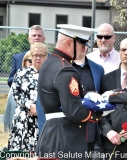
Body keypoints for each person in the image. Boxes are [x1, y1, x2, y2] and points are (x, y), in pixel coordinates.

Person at [35, 24, 102, 159]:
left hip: (52, 135)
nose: (85, 49)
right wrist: (97, 112)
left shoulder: (50, 63)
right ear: (69, 43)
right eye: (82, 45)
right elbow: (74, 111)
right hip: (66, 140)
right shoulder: (66, 69)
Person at [8, 42, 48, 152]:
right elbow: (16, 93)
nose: (38, 58)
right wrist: (29, 105)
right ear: (31, 56)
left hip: (43, 118)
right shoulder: (21, 73)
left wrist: (40, 109)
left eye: (41, 55)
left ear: (46, 56)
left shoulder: (51, 74)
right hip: (23, 118)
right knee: (21, 152)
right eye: (35, 55)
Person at [72, 45, 104, 159]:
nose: (81, 48)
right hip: (69, 127)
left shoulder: (98, 69)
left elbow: (102, 98)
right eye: (78, 44)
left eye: (83, 44)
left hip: (90, 128)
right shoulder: (63, 66)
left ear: (87, 47)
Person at [3, 51, 32, 133]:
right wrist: (17, 78)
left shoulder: (50, 56)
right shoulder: (17, 57)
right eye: (30, 61)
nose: (34, 62)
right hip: (20, 110)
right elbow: (10, 80)